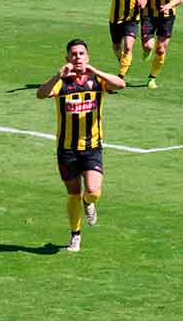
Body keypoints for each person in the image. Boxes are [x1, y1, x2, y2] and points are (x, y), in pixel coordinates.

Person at [36, 39, 125, 252]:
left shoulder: (97, 81)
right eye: (74, 54)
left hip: (92, 147)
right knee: (72, 193)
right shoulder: (62, 83)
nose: (78, 58)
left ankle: (89, 202)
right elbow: (40, 94)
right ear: (67, 58)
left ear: (88, 56)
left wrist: (94, 70)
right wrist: (58, 75)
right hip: (67, 149)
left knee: (93, 190)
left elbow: (121, 84)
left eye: (82, 54)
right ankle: (75, 235)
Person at [85, 0, 147, 81]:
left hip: (132, 19)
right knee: (116, 47)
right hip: (115, 19)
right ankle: (121, 59)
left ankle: (120, 76)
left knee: (128, 47)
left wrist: (143, 1)